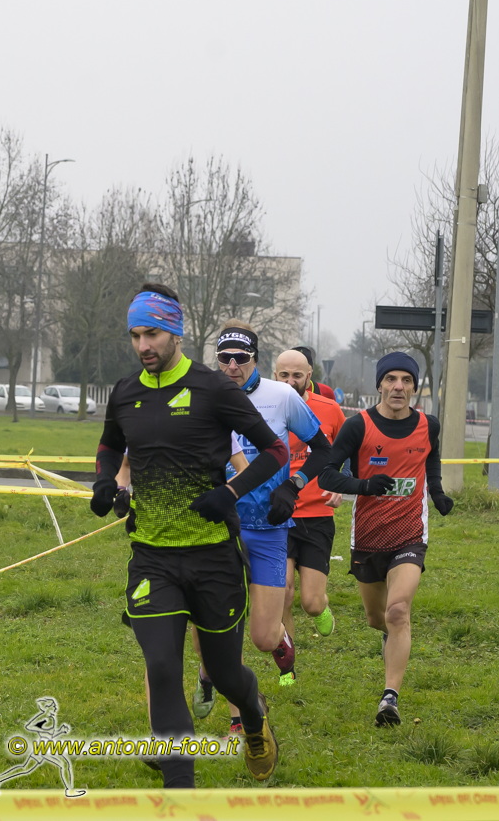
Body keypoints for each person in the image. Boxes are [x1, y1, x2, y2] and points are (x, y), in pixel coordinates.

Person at [87, 285, 296, 787]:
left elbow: (274, 451)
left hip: (212, 559)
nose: (143, 346)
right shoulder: (126, 392)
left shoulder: (213, 388)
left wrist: (229, 493)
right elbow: (110, 445)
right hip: (152, 559)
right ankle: (181, 795)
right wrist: (104, 482)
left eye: (152, 334)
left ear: (175, 332)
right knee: (162, 669)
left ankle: (253, 715)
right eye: (135, 336)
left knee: (225, 675)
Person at [188, 325, 332, 734]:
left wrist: (294, 486)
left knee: (264, 638)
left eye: (242, 358)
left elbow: (324, 449)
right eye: (225, 358)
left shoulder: (281, 396)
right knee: (216, 630)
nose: (233, 366)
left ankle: (279, 641)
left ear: (256, 359)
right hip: (218, 529)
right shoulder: (202, 398)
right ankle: (238, 714)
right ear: (216, 359)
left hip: (268, 528)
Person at [310, 351, 452, 728]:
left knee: (398, 611)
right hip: (369, 536)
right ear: (380, 385)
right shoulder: (358, 426)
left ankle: (390, 698)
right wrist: (364, 485)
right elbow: (326, 474)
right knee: (378, 619)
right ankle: (394, 640)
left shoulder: (429, 425)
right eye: (391, 379)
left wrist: (437, 493)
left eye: (406, 380)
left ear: (414, 387)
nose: (398, 387)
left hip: (410, 533)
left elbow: (431, 459)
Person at [273, 348, 346, 648]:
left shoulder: (329, 409)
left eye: (297, 375)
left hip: (317, 516)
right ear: (275, 375)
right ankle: (287, 663)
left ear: (309, 376)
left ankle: (321, 607)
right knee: (283, 593)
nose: (290, 382)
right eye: (284, 375)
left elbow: (347, 451)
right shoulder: (263, 408)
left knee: (311, 603)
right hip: (279, 515)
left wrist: (340, 484)